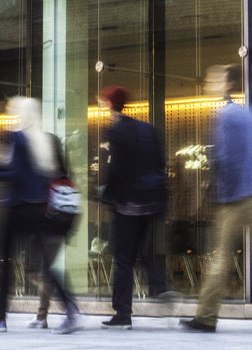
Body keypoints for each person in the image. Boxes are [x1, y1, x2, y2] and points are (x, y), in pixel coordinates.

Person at [179, 65, 252, 334]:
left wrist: (215, 193)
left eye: (214, 78)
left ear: (228, 84)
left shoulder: (225, 116)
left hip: (236, 197)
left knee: (220, 258)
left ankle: (206, 317)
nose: (209, 82)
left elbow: (224, 159)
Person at [0, 97, 81, 334]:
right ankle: (70, 309)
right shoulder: (44, 140)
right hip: (40, 208)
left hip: (17, 209)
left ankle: (0, 318)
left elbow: (15, 174)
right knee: (47, 265)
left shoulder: (15, 137)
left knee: (5, 263)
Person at [98, 86, 178, 330]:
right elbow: (160, 165)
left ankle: (122, 314)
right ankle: (160, 286)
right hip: (149, 203)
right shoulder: (147, 129)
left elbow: (117, 170)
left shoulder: (117, 132)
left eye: (103, 101)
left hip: (127, 206)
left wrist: (106, 196)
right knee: (142, 252)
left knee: (123, 259)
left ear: (111, 104)